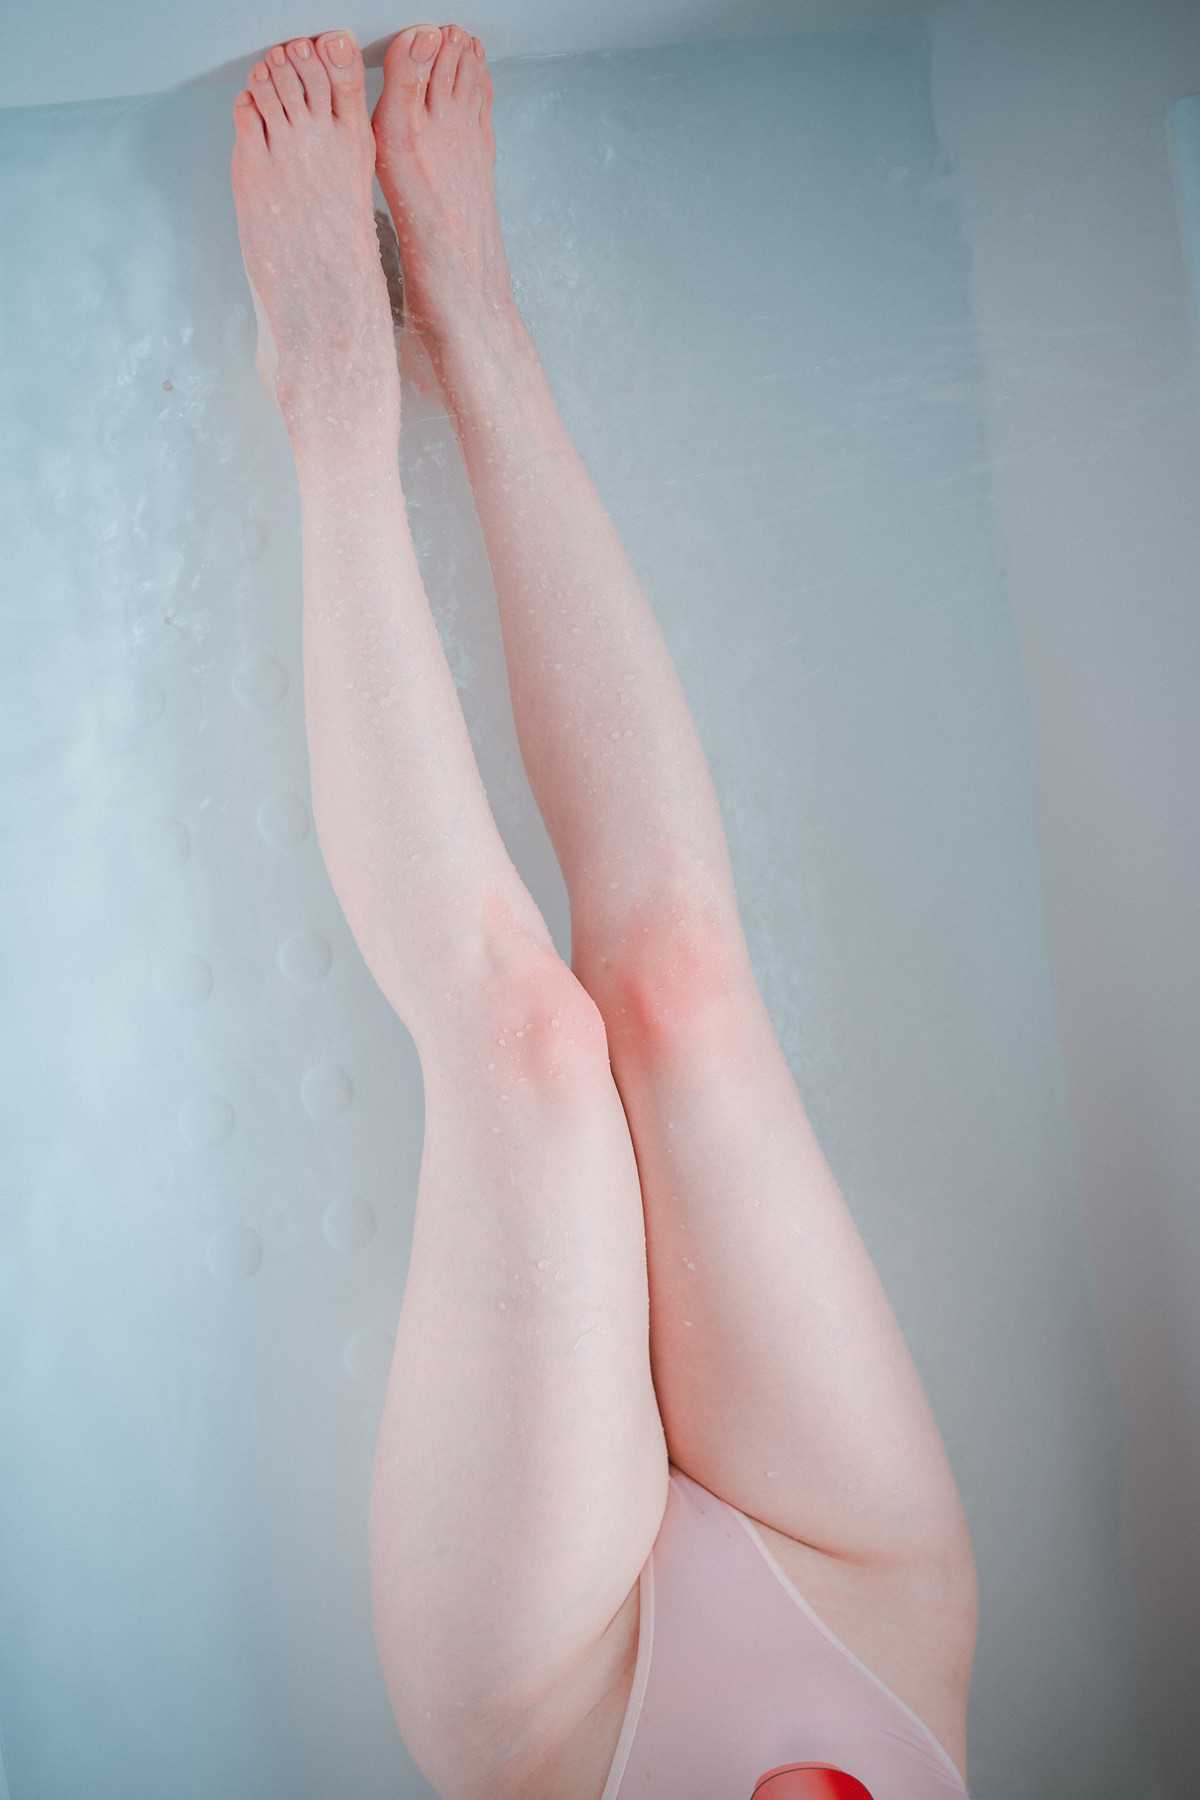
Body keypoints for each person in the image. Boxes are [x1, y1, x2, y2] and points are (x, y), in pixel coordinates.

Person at [229, 25, 979, 1799]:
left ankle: (330, 390)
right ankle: (477, 328)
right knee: (682, 991)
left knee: (528, 1049)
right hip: (871, 1630)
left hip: (572, 1728)